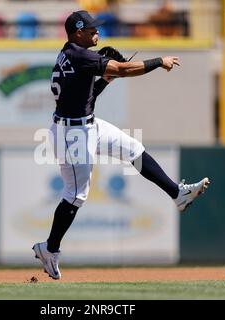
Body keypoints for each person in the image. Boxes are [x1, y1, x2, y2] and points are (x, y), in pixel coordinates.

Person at [33, 10, 210, 280]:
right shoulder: (80, 56)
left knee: (132, 149)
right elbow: (125, 70)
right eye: (91, 29)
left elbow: (86, 98)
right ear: (78, 32)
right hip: (72, 134)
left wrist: (104, 79)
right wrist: (158, 61)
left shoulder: (72, 54)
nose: (97, 33)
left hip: (85, 123)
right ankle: (50, 248)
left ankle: (177, 193)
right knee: (75, 195)